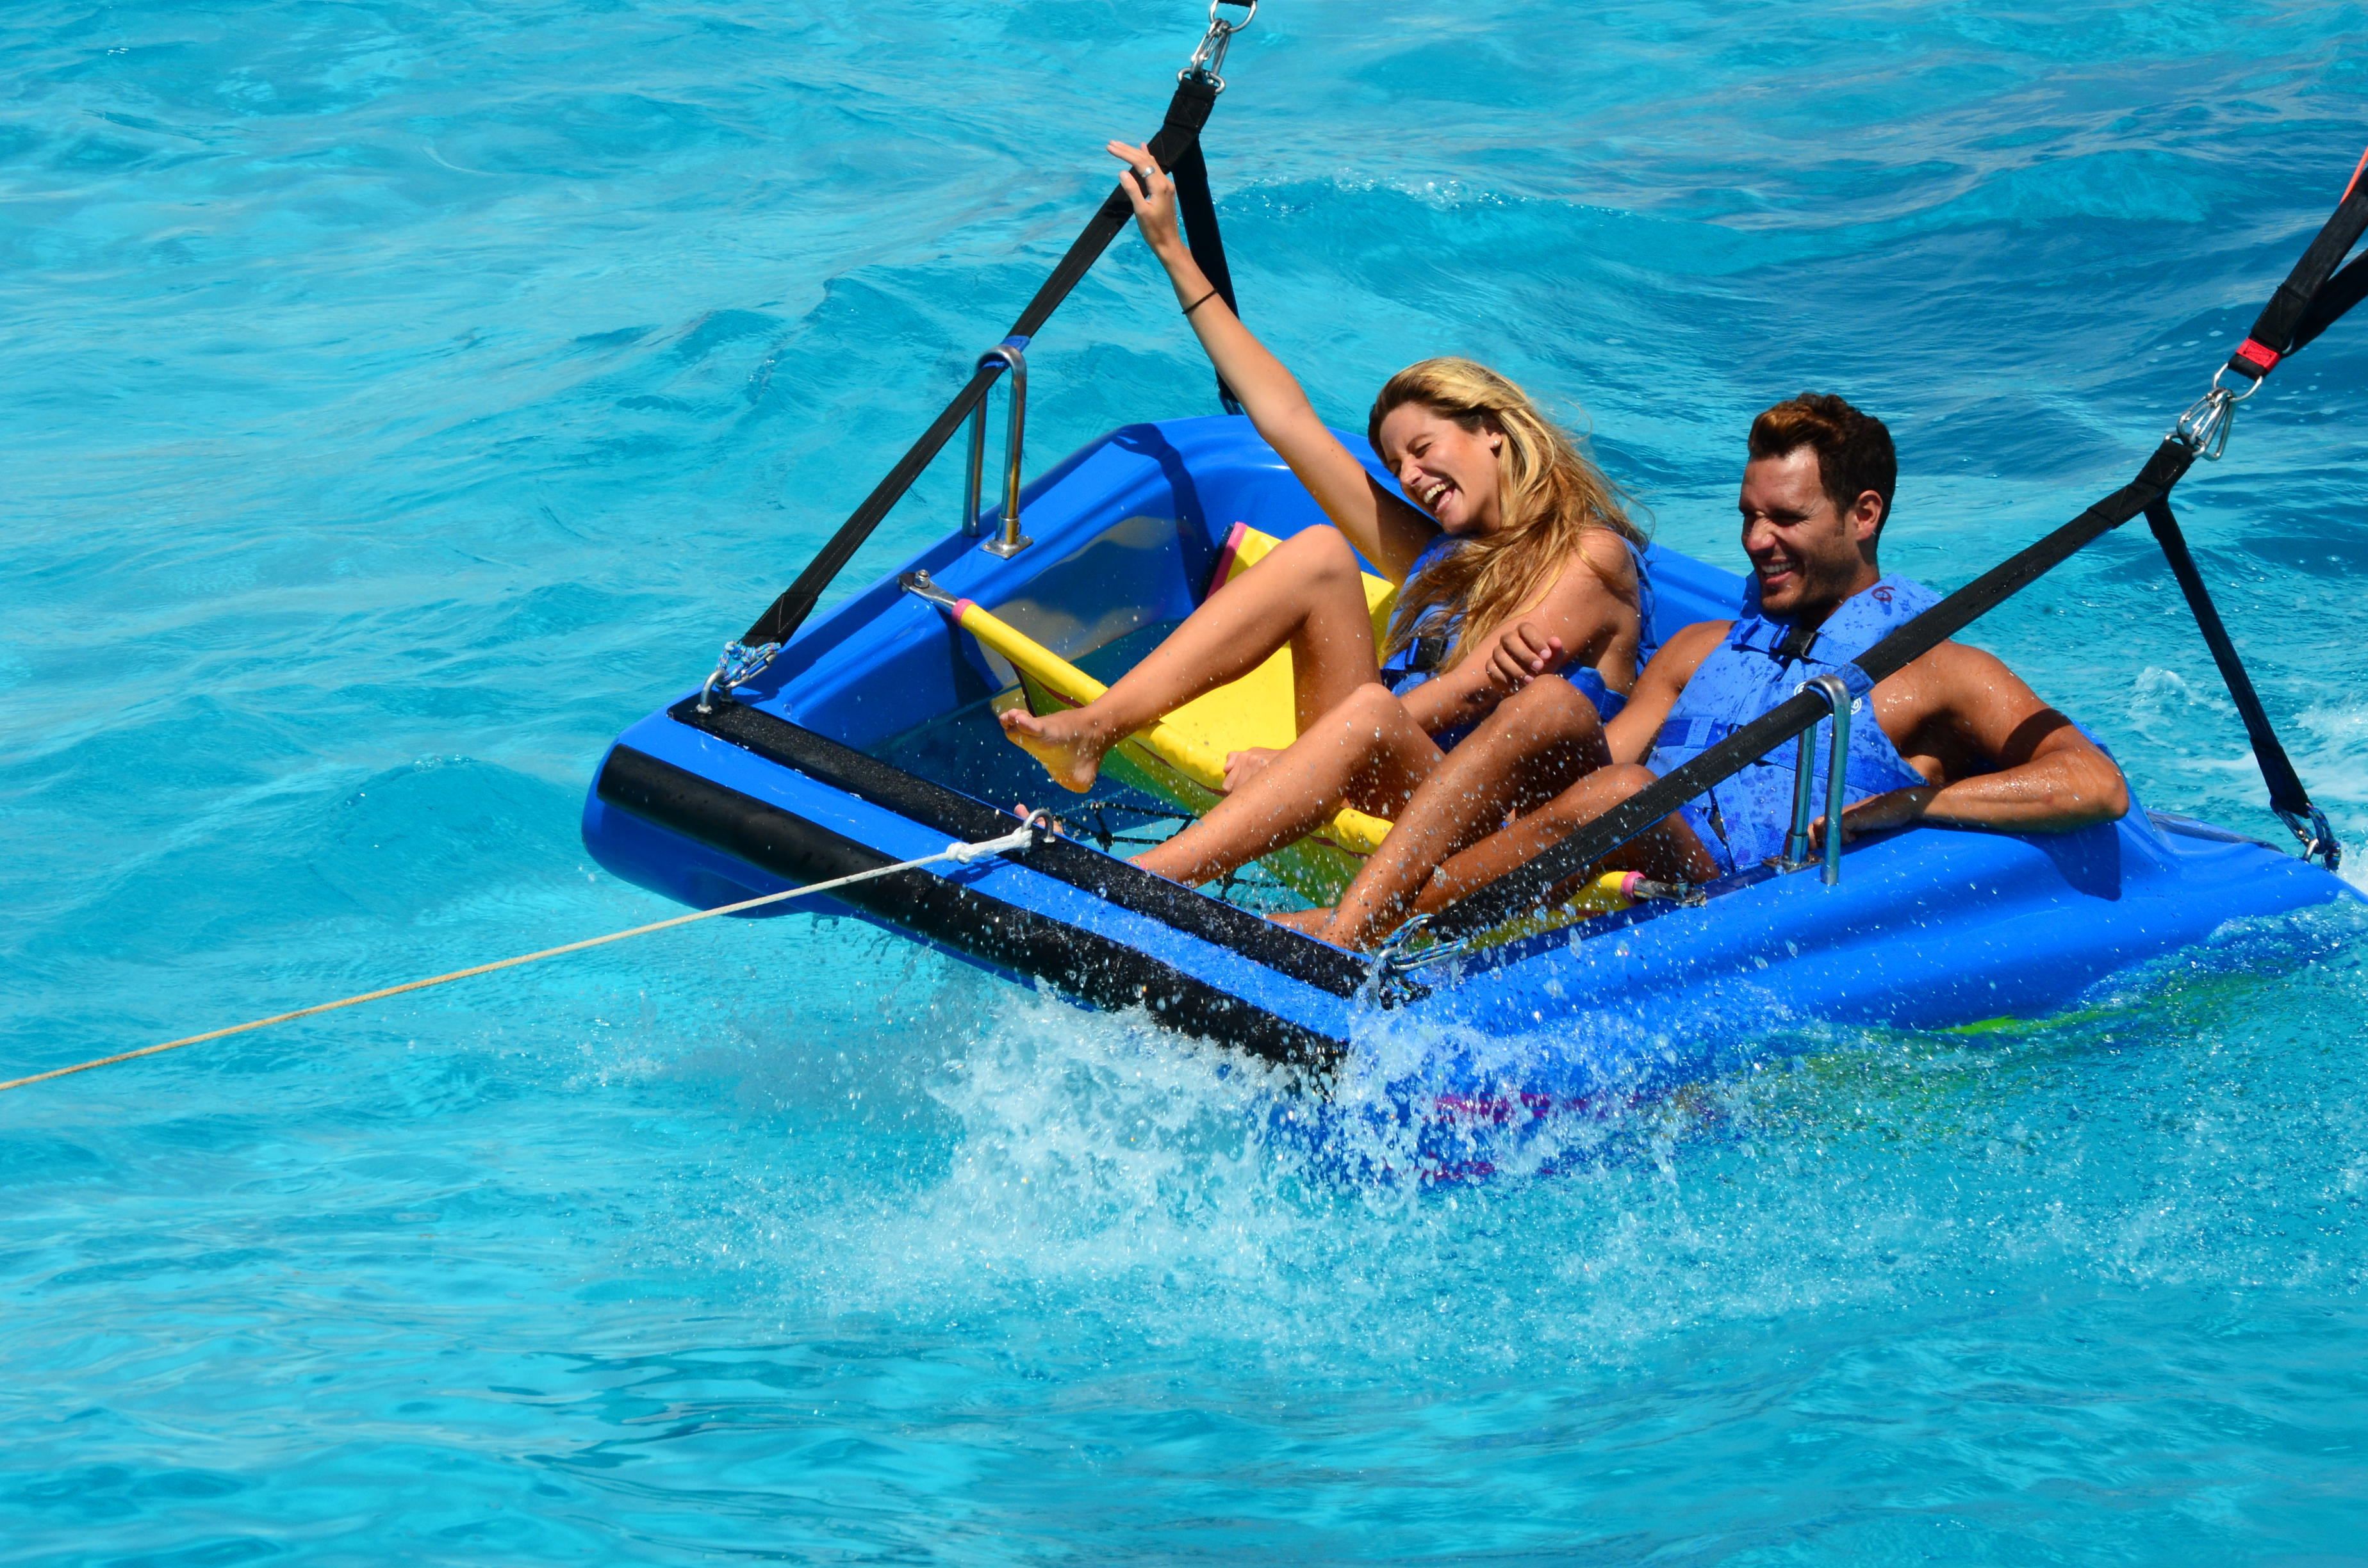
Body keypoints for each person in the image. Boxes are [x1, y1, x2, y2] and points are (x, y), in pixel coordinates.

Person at [1002, 137, 1652, 891]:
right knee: (1319, 554)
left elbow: (1471, 691)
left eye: (1423, 448)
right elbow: (1286, 420)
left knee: (1376, 710)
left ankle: (1139, 884)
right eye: (1397, 465)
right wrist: (1173, 251)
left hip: (1485, 827)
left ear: (1492, 430)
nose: (1411, 477)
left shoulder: (1591, 560)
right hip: (1384, 771)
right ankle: (1095, 728)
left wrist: (1296, 761)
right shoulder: (1448, 559)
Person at [1313, 392, 2133, 950]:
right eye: (1748, 516)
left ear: (1865, 515)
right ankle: (1352, 922)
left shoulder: (1937, 666)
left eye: (1786, 518)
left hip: (1745, 906)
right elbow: (1600, 765)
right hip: (1639, 848)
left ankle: (1353, 930)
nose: (1755, 540)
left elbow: (2095, 784)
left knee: (1618, 797)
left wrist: (1916, 805)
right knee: (1568, 735)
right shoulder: (1705, 646)